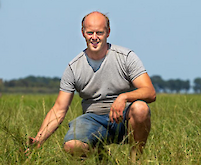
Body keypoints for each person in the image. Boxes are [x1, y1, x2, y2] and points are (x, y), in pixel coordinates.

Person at [28, 11, 156, 159]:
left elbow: (150, 92)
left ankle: (135, 160)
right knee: (72, 145)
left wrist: (124, 97)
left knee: (140, 108)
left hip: (123, 119)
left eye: (99, 33)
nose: (94, 37)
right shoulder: (73, 68)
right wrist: (38, 140)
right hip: (93, 120)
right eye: (90, 32)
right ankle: (102, 159)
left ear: (108, 32)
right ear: (83, 33)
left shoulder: (126, 57)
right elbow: (59, 110)